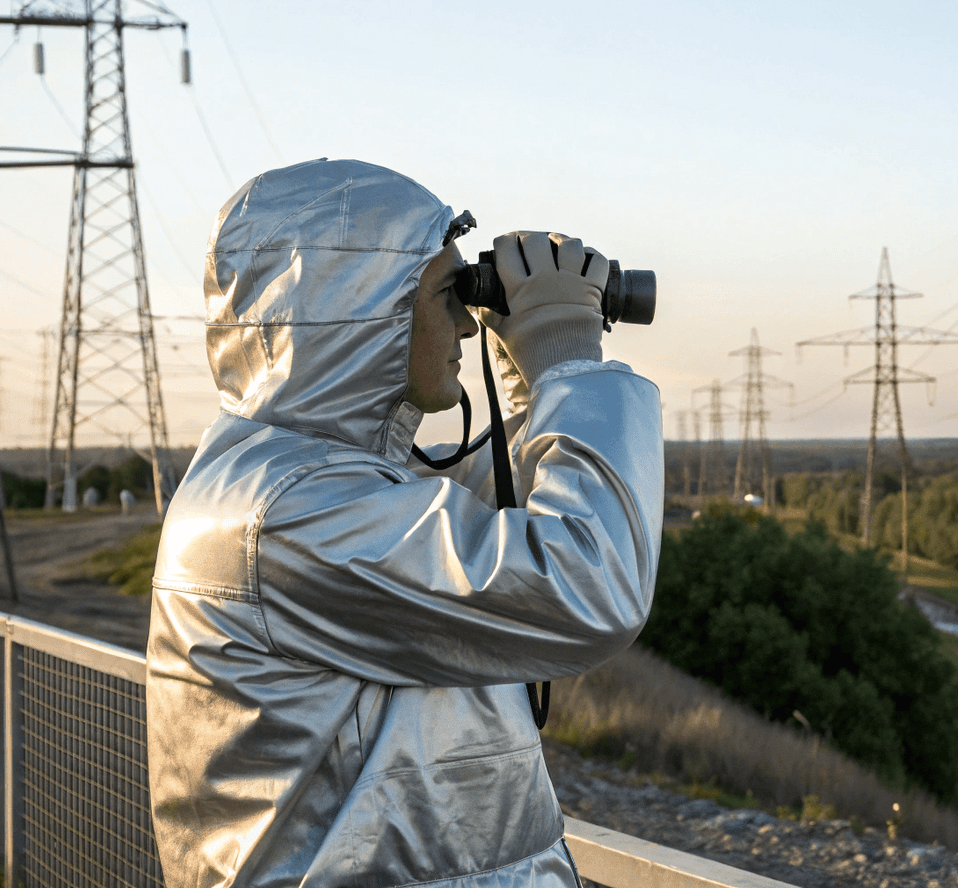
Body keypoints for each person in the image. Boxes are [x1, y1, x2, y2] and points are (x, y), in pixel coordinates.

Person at [145, 158, 663, 888]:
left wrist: (533, 374)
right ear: (359, 308)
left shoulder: (307, 480)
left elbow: (496, 532)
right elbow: (582, 589)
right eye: (447, 294)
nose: (464, 321)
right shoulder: (282, 512)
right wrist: (567, 361)